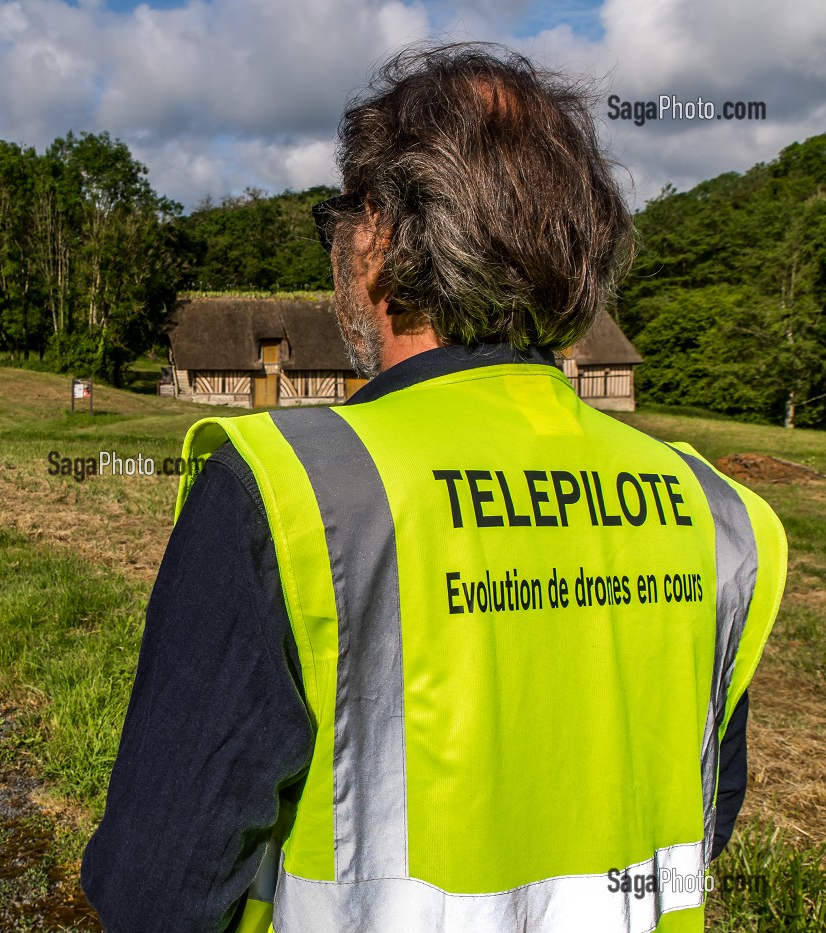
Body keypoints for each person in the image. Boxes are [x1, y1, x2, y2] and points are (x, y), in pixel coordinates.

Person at [80, 43, 787, 933]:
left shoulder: (287, 491)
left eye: (340, 218)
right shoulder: (714, 514)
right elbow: (702, 820)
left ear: (380, 235)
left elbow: (160, 894)